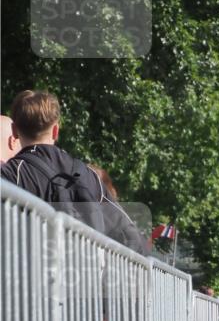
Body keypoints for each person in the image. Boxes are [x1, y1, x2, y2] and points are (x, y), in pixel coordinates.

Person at [2, 90, 147, 254]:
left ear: (14, 131)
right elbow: (131, 236)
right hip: (81, 276)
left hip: (28, 276)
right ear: (56, 130)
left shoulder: (12, 174)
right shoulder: (86, 174)